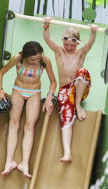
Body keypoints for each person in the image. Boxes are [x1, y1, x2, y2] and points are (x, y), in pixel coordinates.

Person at [42, 19, 100, 164]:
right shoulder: (59, 51)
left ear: (77, 43)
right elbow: (47, 39)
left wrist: (93, 31)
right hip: (65, 90)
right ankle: (67, 152)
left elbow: (90, 43)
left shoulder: (80, 53)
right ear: (63, 41)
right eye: (66, 43)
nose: (68, 47)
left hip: (80, 89)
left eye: (72, 44)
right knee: (66, 116)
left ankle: (78, 105)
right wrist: (46, 26)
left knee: (82, 72)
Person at [0, 40, 52, 179]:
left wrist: (49, 96)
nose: (36, 61)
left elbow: (53, 81)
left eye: (38, 58)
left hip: (34, 92)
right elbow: (0, 73)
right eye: (33, 59)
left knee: (30, 126)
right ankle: (9, 161)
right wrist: (0, 91)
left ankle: (24, 164)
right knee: (13, 124)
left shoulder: (45, 61)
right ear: (26, 55)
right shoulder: (17, 59)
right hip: (18, 90)